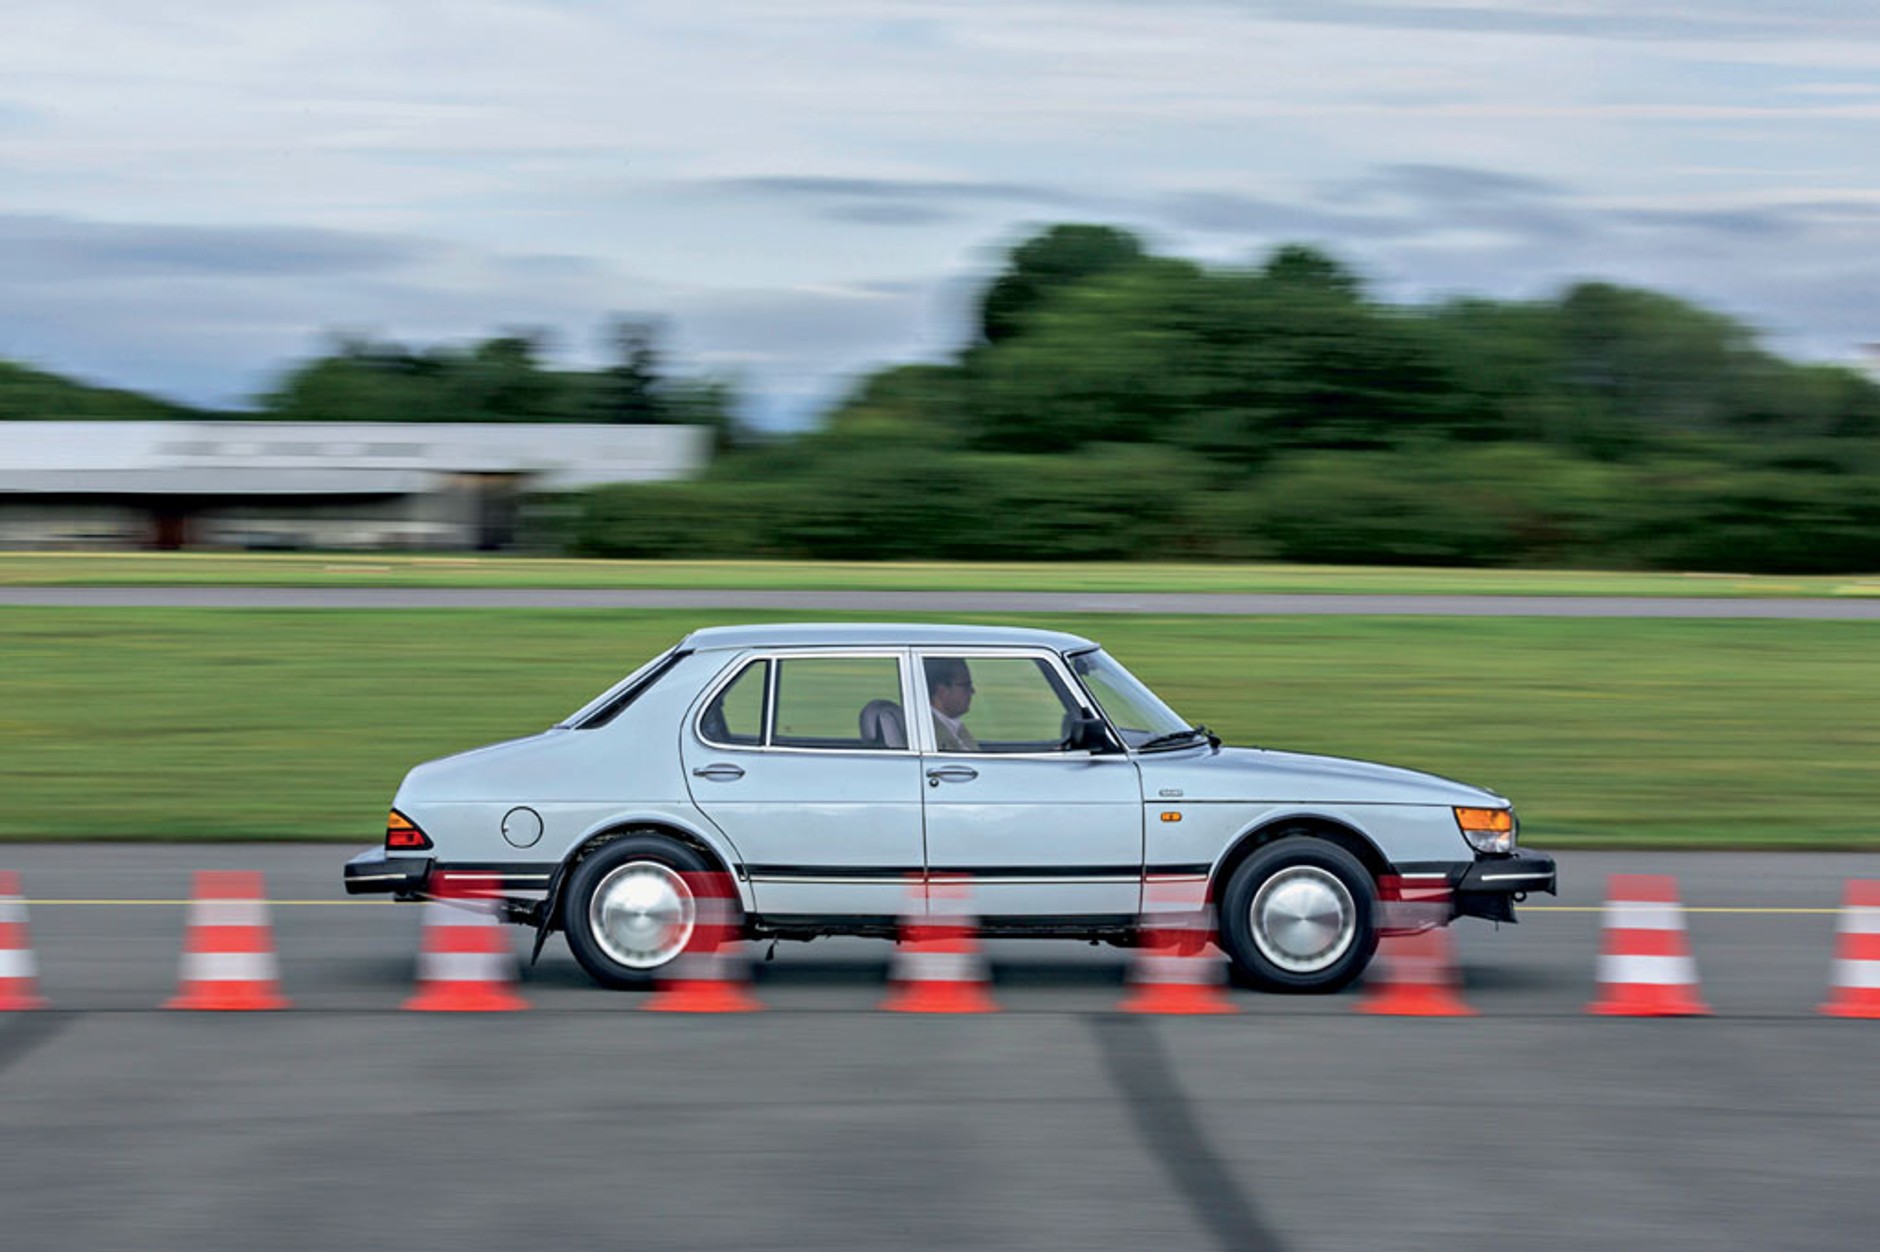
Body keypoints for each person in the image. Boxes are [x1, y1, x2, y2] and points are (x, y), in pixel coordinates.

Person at [925, 657, 980, 751]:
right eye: (965, 685)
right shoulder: (930, 733)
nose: (972, 691)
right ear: (942, 691)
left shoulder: (954, 726)